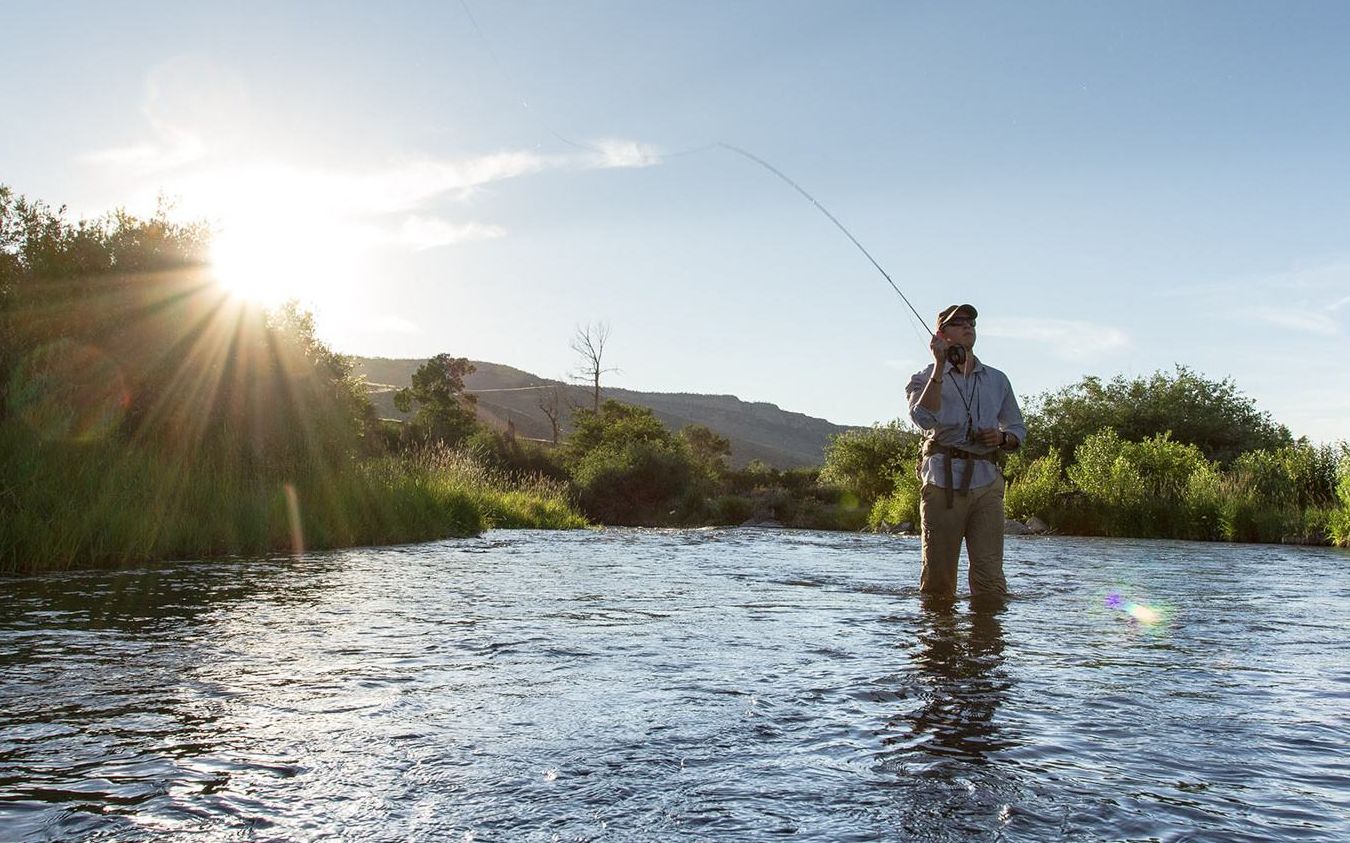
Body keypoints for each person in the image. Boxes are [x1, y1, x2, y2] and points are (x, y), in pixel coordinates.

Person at [906, 304, 1026, 600]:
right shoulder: (922, 379)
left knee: (990, 582)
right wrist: (939, 367)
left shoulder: (997, 379)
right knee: (939, 583)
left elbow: (1018, 431)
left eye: (971, 321)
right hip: (941, 484)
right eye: (958, 322)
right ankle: (938, 643)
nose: (967, 325)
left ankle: (987, 643)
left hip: (987, 483)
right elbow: (923, 418)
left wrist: (1001, 437)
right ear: (942, 335)